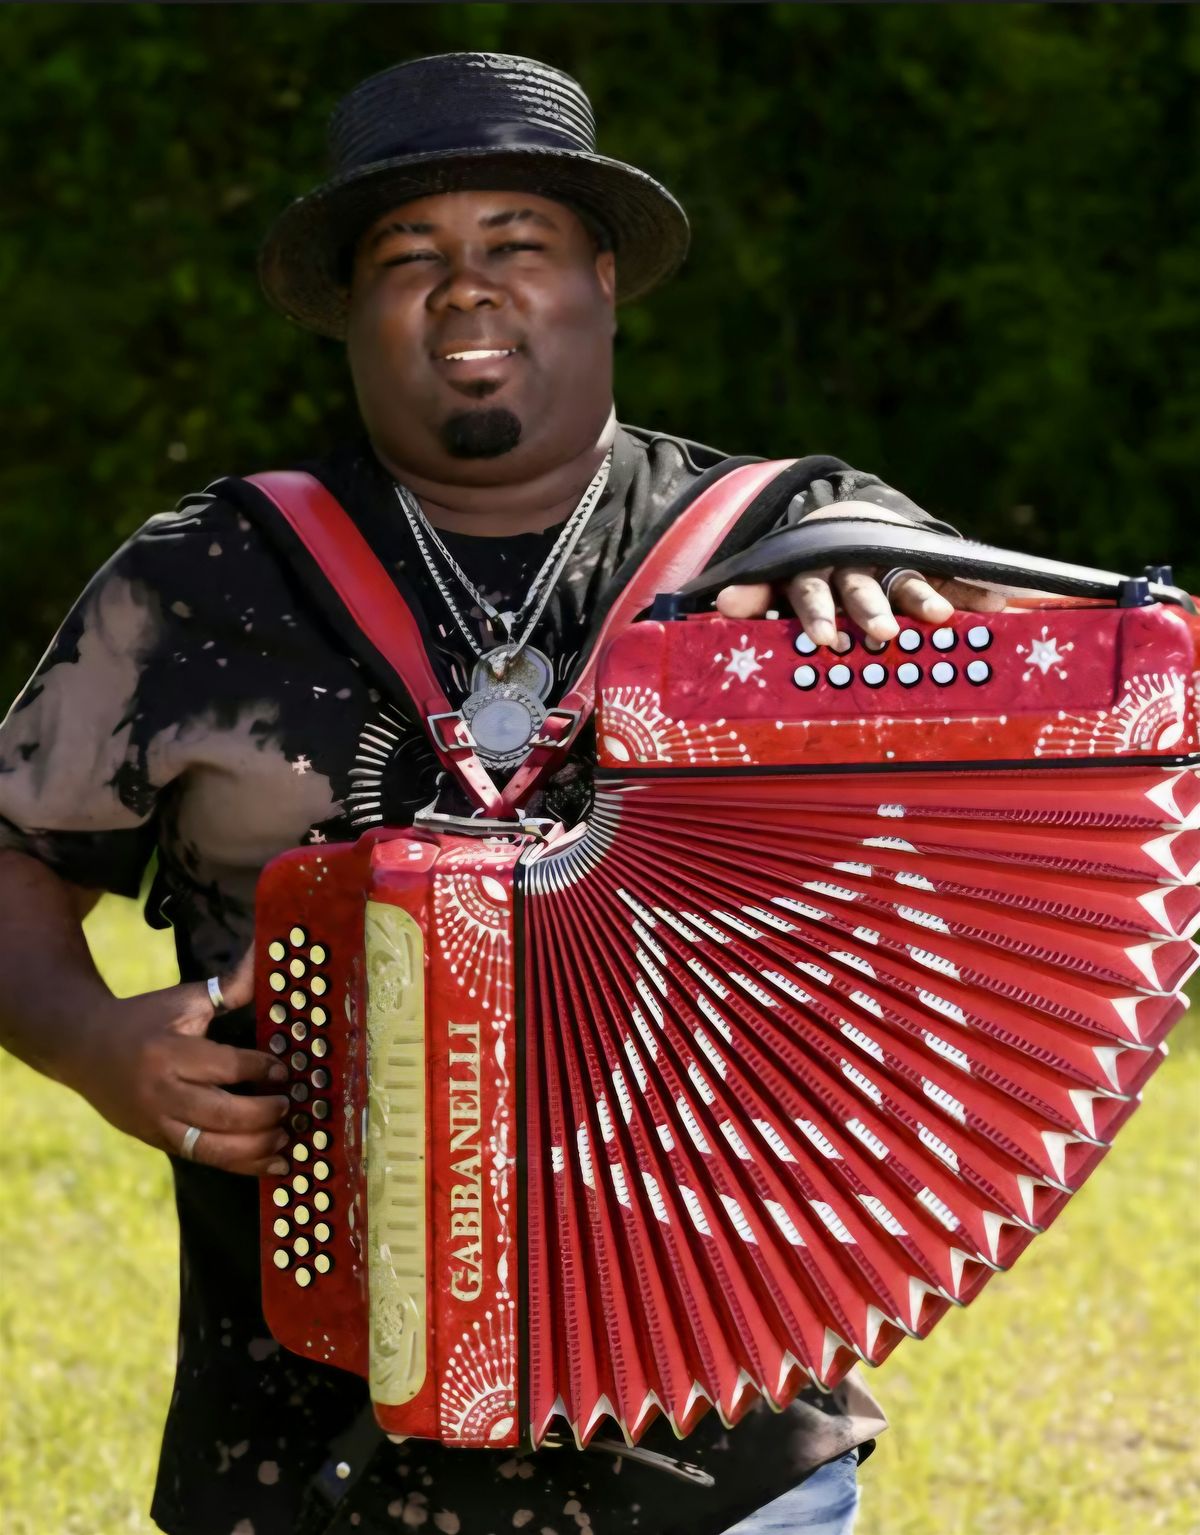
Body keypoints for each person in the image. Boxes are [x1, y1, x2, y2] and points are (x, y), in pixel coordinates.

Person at [0, 53, 1002, 1535]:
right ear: (353, 310)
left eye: (516, 243)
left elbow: (1057, 764)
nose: (465, 286)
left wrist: (906, 583)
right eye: (408, 255)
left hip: (725, 1437)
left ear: (603, 280)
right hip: (304, 1442)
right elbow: (14, 854)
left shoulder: (789, 547)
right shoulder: (205, 579)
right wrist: (92, 1044)